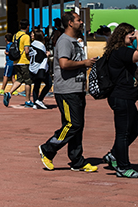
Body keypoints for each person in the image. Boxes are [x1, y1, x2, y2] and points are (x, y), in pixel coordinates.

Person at [38, 12, 98, 173]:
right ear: (70, 23)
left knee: (78, 126)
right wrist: (84, 63)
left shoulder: (75, 41)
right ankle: (48, 149)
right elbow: (64, 64)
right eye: (79, 20)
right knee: (73, 124)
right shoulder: (64, 41)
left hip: (77, 89)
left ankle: (77, 159)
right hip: (66, 90)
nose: (81, 23)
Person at [101, 23, 138, 178]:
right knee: (123, 133)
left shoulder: (120, 51)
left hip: (124, 96)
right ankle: (123, 167)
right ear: (122, 35)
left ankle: (114, 154)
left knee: (135, 127)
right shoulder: (120, 51)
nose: (133, 37)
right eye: (130, 34)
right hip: (121, 96)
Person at [3, 20, 32, 108]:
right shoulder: (26, 36)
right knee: (28, 81)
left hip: (16, 61)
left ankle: (9, 93)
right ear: (28, 26)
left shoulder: (15, 35)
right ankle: (27, 100)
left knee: (20, 79)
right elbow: (26, 50)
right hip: (24, 61)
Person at [29, 29, 51, 109]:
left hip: (32, 67)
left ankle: (35, 102)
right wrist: (47, 55)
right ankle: (39, 99)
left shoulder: (32, 44)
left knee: (36, 85)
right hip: (40, 68)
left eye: (32, 34)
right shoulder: (40, 45)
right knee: (49, 83)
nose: (31, 35)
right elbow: (41, 58)